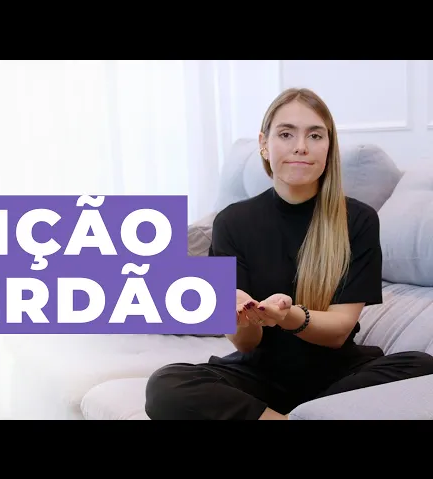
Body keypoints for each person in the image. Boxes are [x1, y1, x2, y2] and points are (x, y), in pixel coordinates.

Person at [144, 87, 433, 420]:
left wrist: (287, 315)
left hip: (338, 374)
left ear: (328, 147)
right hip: (258, 374)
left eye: (315, 135)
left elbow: (339, 331)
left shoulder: (358, 219)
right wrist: (239, 316)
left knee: (421, 367)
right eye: (286, 134)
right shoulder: (232, 222)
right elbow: (246, 344)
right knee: (167, 385)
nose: (301, 146)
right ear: (264, 144)